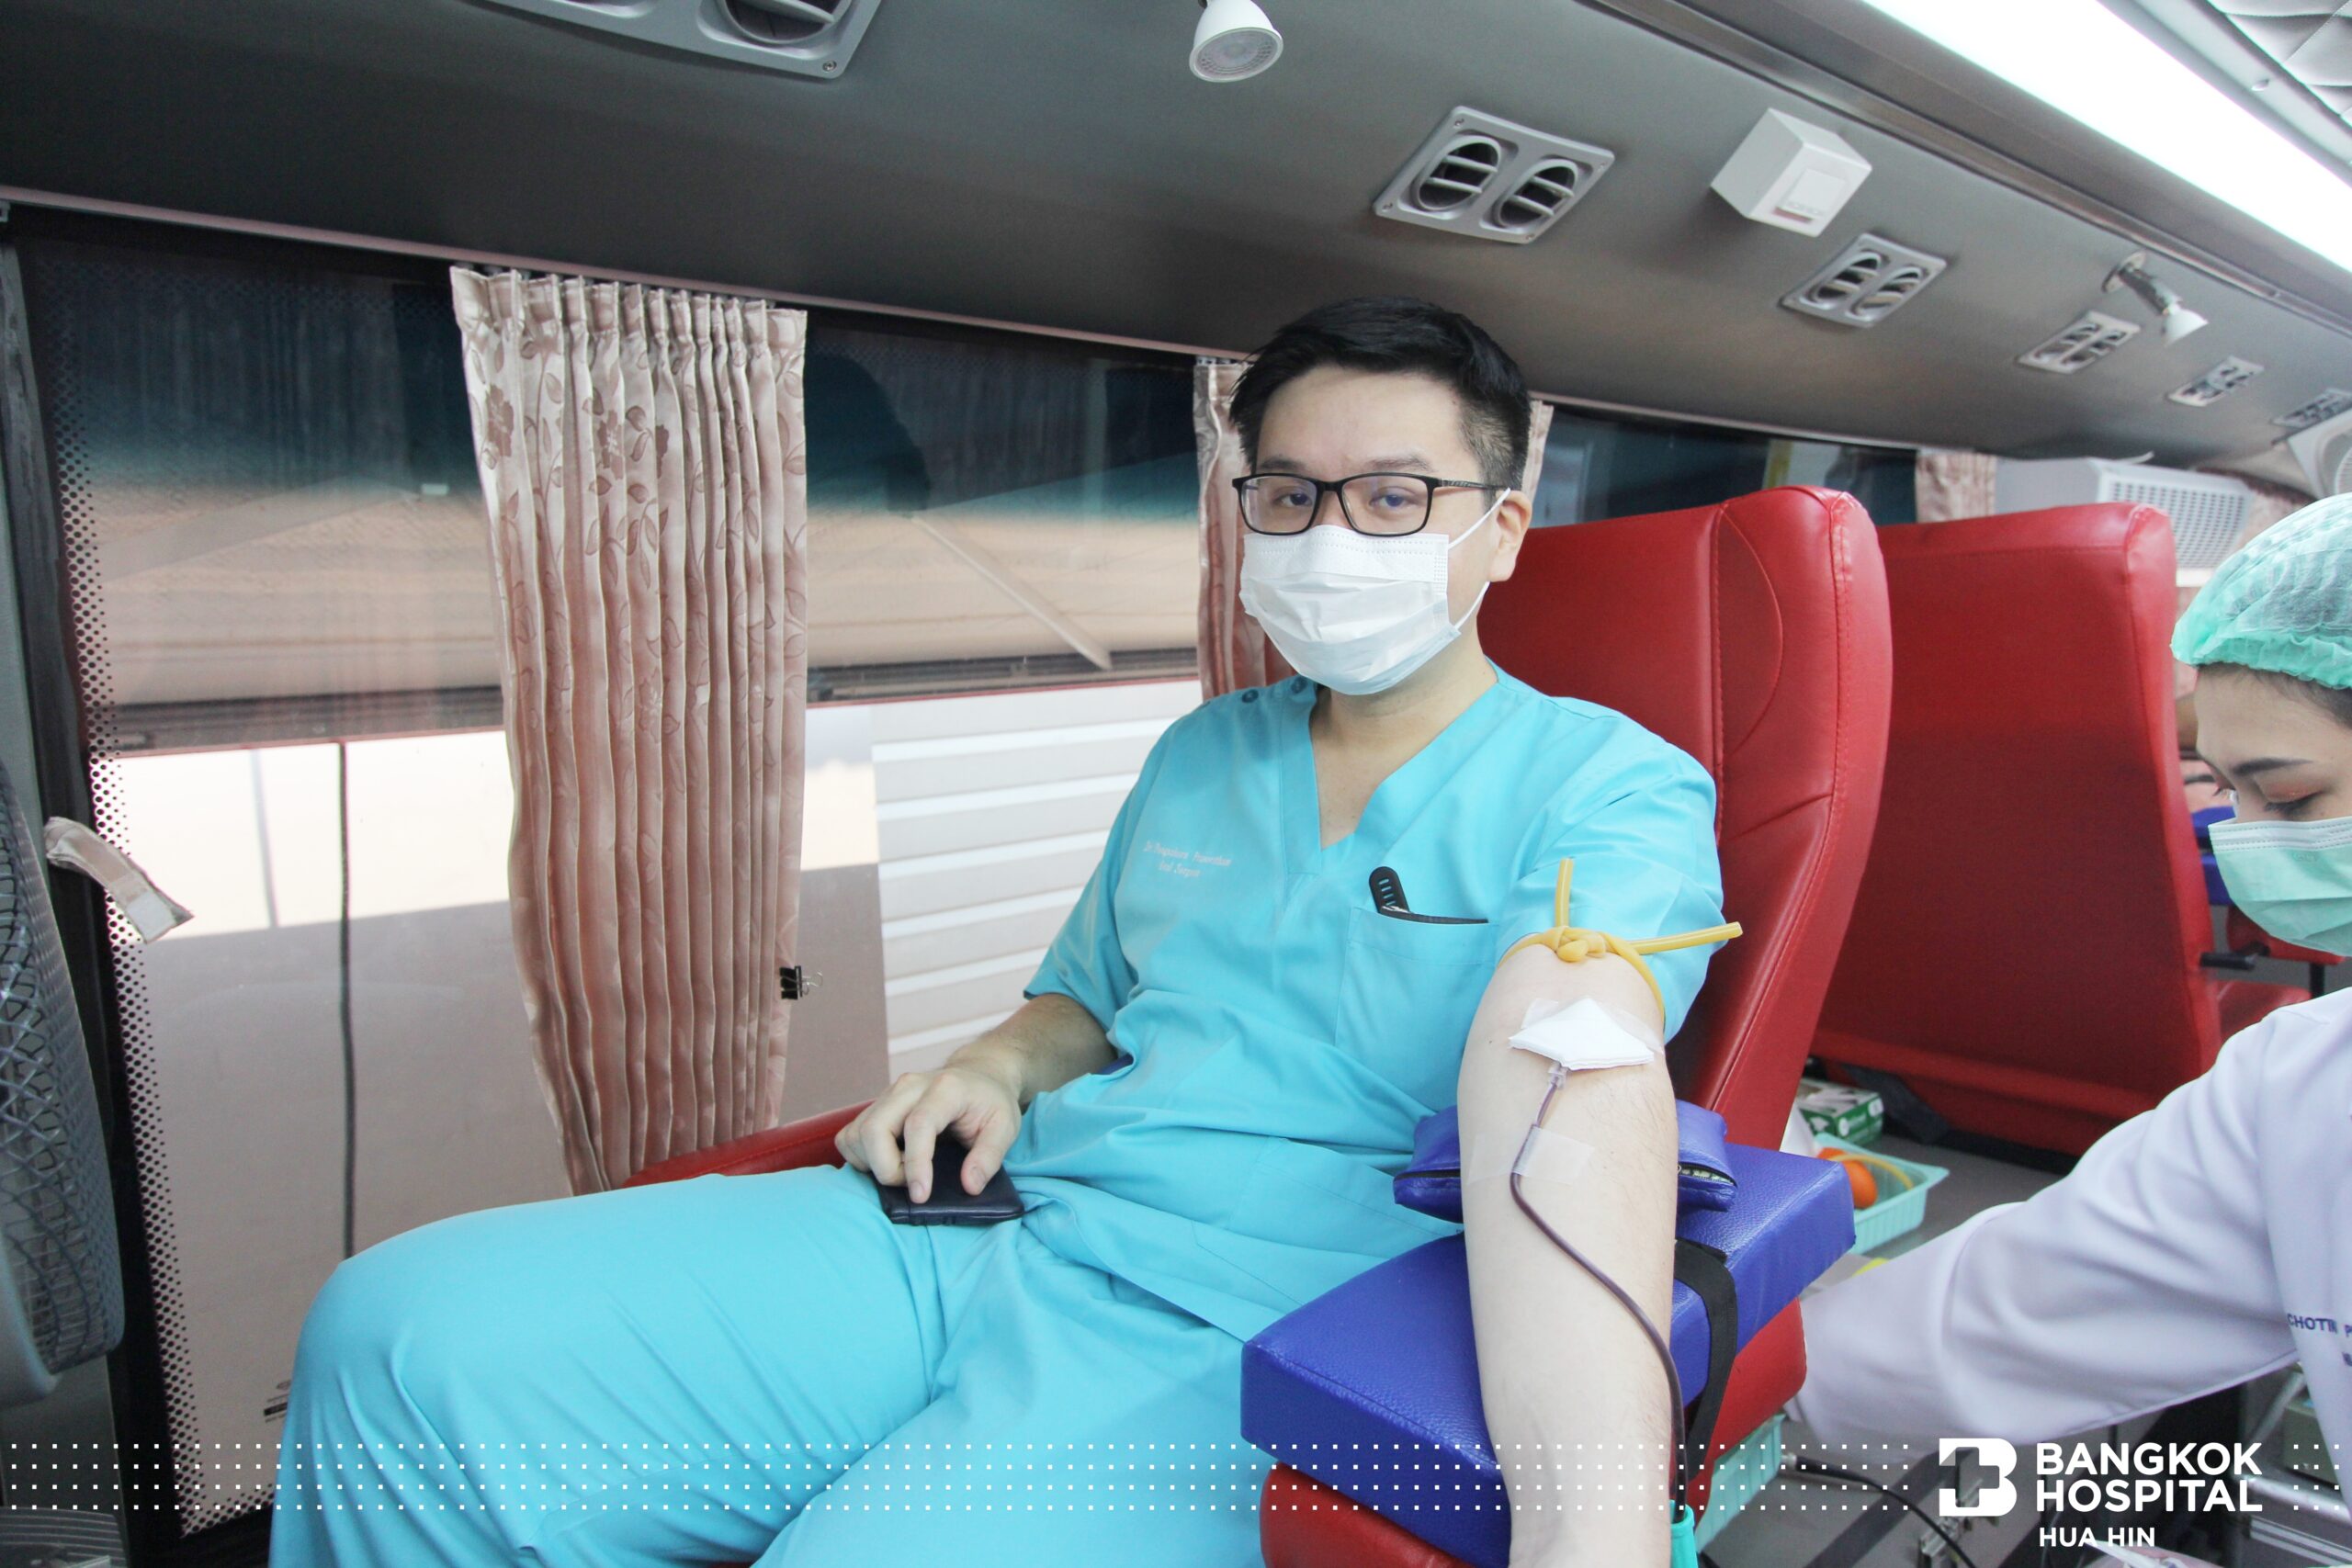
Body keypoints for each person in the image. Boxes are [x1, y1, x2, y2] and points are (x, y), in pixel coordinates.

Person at [268, 297, 1725, 1567]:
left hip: (1265, 1311)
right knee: (402, 1333)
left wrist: (1589, 1530)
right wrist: (992, 1065)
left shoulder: (1611, 783)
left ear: (1500, 531)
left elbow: (1567, 1063)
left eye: (1394, 498)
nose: (1330, 537)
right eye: (1289, 495)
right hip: (1011, 1219)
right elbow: (1087, 999)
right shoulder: (1205, 753)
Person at [1789, 493, 2352, 1464]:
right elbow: (2011, 1312)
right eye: (2226, 792)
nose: (2249, 844)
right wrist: (1702, 1358)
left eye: (2291, 799)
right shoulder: (2299, 1090)